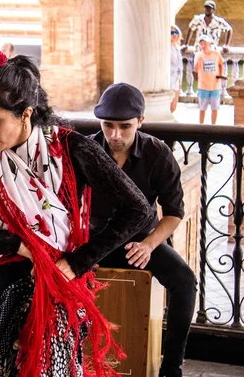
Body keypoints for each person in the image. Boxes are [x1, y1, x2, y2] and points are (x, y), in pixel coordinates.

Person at [0, 51, 153, 377]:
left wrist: (78, 262)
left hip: (58, 286)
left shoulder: (72, 150)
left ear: (25, 114)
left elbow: (138, 211)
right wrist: (16, 243)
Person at [89, 82, 197, 377]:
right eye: (108, 125)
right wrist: (80, 251)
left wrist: (149, 244)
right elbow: (66, 208)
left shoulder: (157, 153)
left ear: (140, 122)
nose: (115, 135)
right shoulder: (85, 150)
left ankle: (172, 366)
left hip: (139, 243)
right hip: (94, 241)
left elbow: (174, 213)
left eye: (125, 127)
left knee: (185, 282)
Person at [193, 34, 225, 125]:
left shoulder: (216, 54)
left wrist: (221, 74)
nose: (203, 45)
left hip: (215, 85)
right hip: (203, 86)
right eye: (201, 43)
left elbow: (220, 64)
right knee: (202, 108)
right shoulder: (198, 55)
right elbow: (195, 70)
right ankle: (201, 125)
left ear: (209, 43)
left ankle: (213, 125)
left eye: (204, 43)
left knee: (215, 108)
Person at [170, 25, 184, 113]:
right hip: (169, 80)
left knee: (174, 106)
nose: (174, 34)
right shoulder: (166, 48)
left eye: (176, 32)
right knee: (169, 105)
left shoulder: (177, 48)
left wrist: (180, 82)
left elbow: (180, 67)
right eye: (171, 33)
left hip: (176, 79)